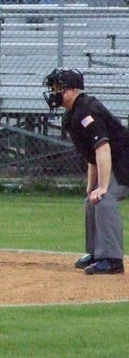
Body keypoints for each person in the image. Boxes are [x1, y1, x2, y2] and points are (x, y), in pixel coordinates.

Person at [42, 68, 128, 275]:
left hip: (123, 163)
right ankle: (98, 254)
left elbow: (103, 148)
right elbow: (92, 155)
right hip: (117, 162)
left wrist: (104, 187)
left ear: (72, 90)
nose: (54, 93)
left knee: (104, 200)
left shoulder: (86, 110)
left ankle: (113, 260)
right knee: (92, 200)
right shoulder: (75, 112)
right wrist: (92, 186)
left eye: (58, 88)